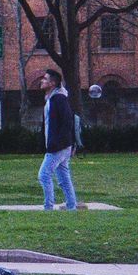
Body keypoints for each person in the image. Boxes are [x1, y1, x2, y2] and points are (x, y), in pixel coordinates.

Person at [37, 68, 78, 212]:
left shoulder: (59, 99)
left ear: (53, 83)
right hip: (61, 145)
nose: (42, 80)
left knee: (44, 175)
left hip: (59, 146)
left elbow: (68, 121)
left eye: (45, 78)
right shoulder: (53, 98)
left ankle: (48, 207)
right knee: (63, 178)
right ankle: (71, 206)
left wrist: (58, 143)